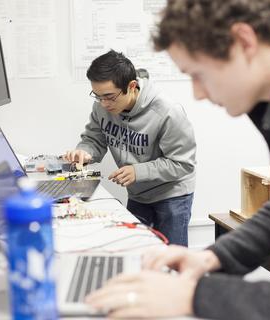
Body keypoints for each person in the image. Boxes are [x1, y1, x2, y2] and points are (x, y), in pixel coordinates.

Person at [85, 0, 270, 319]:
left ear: (244, 42)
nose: (198, 93)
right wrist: (212, 257)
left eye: (198, 74)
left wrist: (197, 296)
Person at [65, 49, 197, 246]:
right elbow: (94, 139)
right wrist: (85, 152)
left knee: (171, 261)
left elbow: (183, 164)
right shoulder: (102, 106)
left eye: (109, 96)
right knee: (136, 250)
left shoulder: (167, 112)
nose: (103, 103)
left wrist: (138, 171)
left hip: (171, 196)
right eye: (98, 96)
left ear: (132, 86)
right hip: (138, 193)